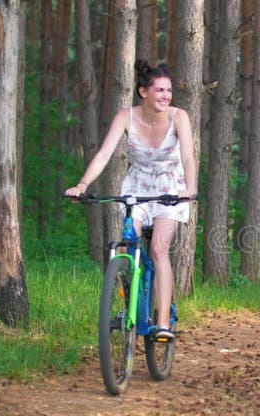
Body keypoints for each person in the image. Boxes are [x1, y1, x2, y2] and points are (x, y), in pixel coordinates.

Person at [65, 60, 197, 340]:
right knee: (128, 243)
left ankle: (162, 323)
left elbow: (187, 156)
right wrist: (82, 184)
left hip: (170, 188)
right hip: (137, 186)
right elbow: (104, 154)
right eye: (159, 90)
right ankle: (131, 297)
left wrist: (190, 188)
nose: (165, 96)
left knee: (160, 249)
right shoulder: (125, 117)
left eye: (169, 91)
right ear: (143, 92)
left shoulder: (179, 117)